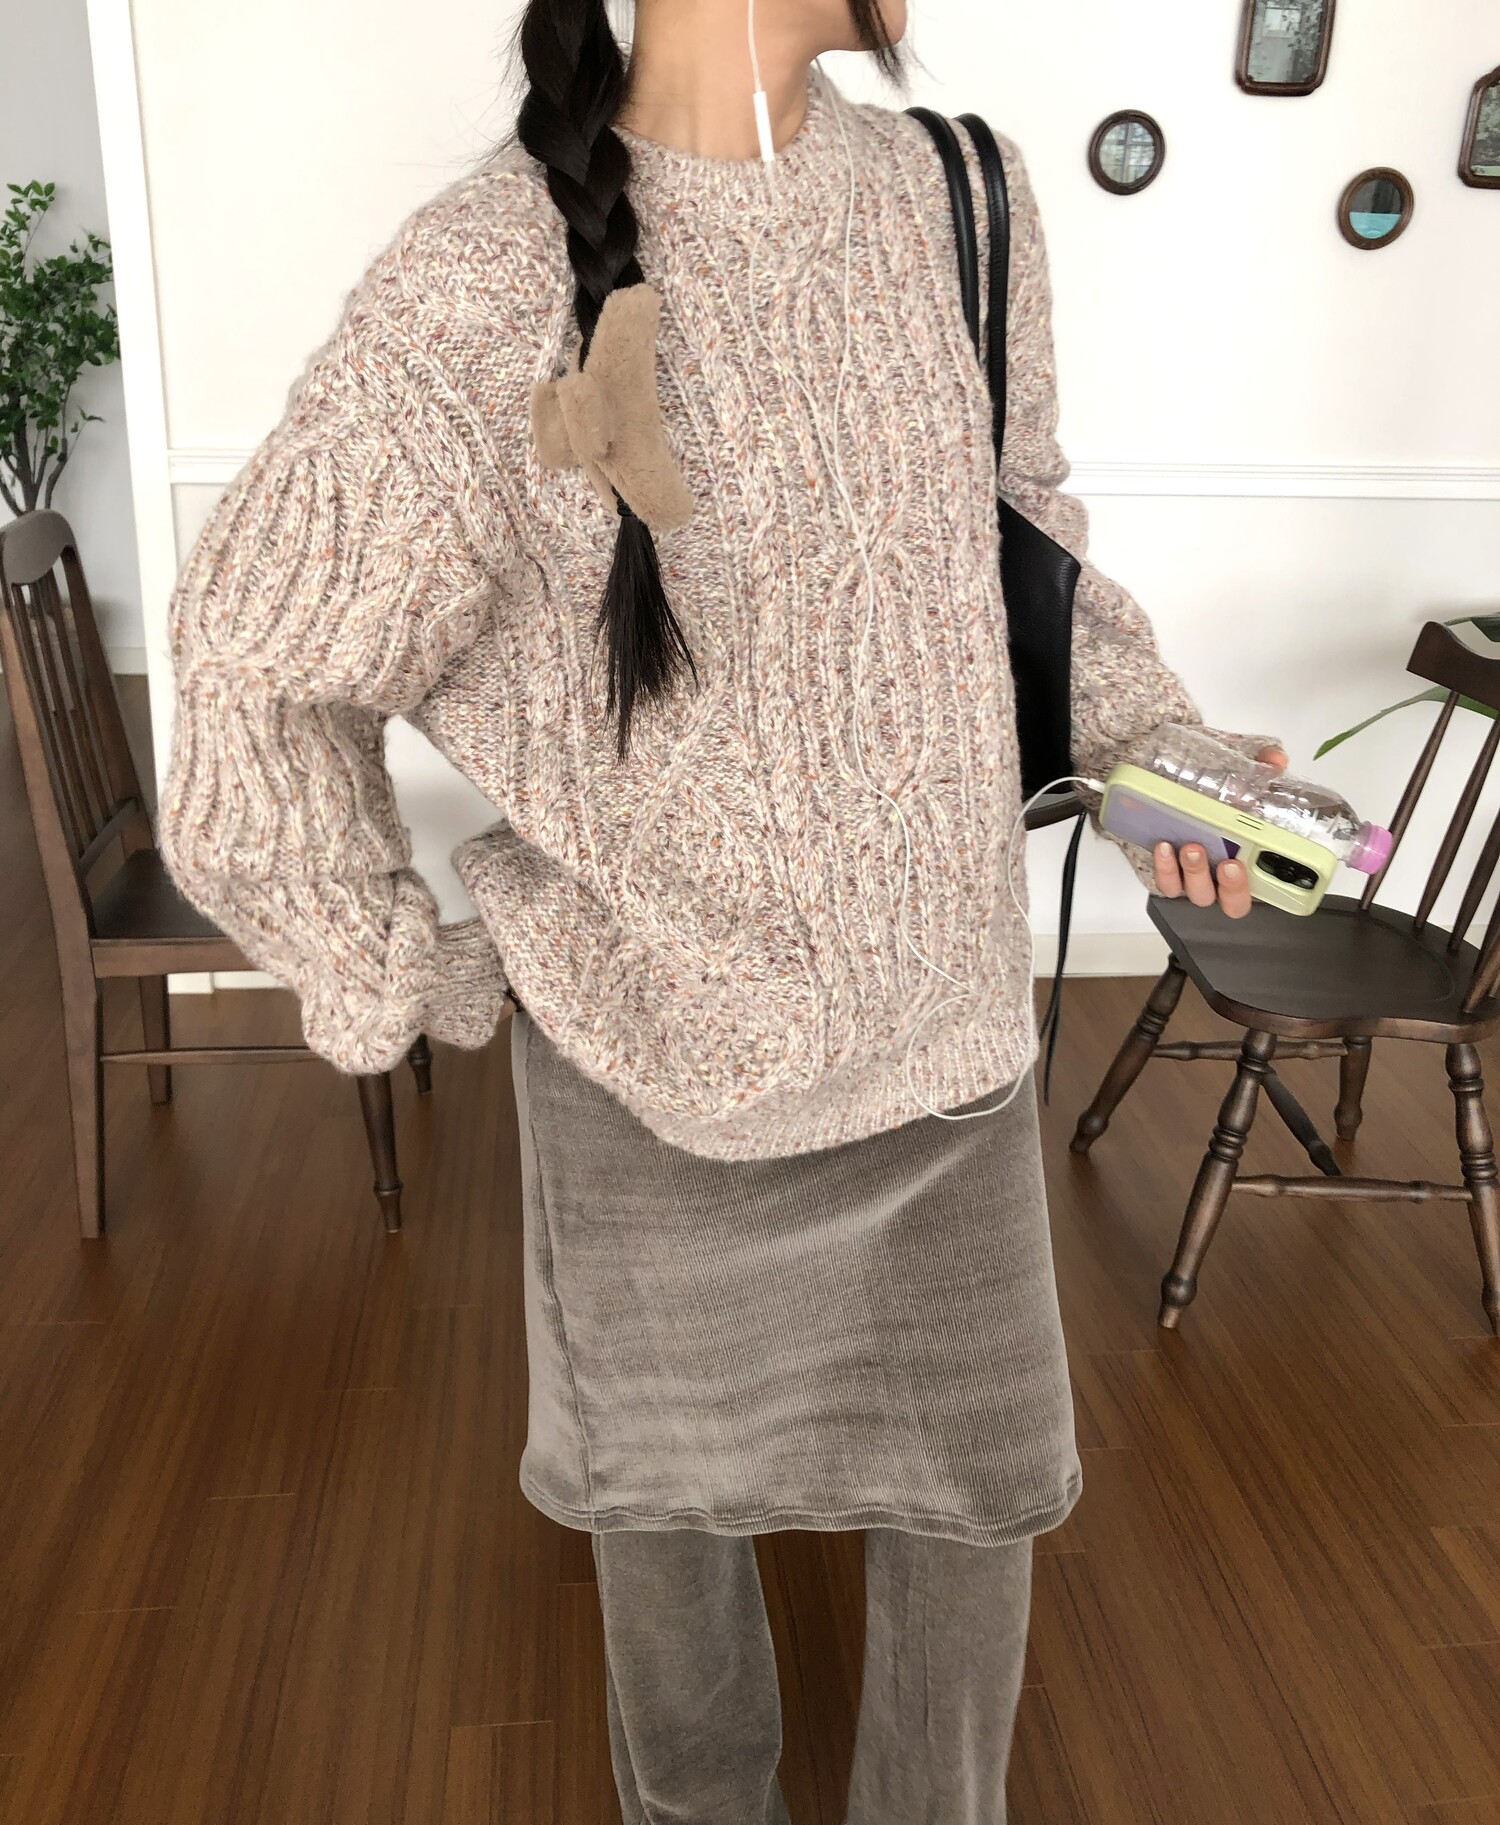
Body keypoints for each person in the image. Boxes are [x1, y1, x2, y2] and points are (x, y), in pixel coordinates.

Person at [157, 1, 1284, 1817]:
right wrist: (386, 963)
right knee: (670, 1561)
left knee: (977, 1515)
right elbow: (252, 658)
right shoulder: (482, 278)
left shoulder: (964, 195)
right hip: (649, 1067)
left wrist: (1157, 747)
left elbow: (1016, 540)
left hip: (948, 1047)